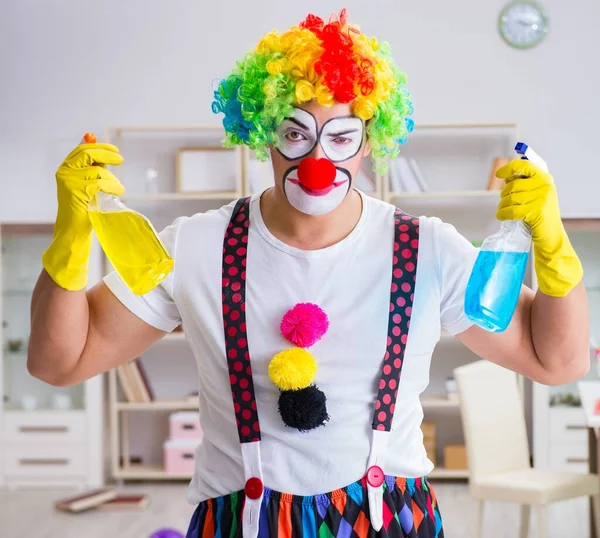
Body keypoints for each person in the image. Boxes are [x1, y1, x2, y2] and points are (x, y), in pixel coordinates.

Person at [28, 9, 589, 538]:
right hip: (238, 518)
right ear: (263, 135)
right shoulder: (197, 245)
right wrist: (70, 245)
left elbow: (557, 362)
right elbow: (60, 362)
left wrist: (554, 247)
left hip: (391, 517)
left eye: (341, 137)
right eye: (295, 134)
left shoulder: (427, 249)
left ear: (369, 142)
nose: (318, 161)